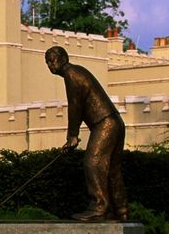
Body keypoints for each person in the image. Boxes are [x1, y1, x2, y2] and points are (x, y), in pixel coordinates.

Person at [45, 46, 128, 221]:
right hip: (115, 122)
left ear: (63, 59)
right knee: (112, 169)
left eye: (52, 60)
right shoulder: (76, 72)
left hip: (105, 123)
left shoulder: (72, 74)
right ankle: (120, 211)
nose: (50, 65)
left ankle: (99, 206)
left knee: (93, 163)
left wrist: (72, 136)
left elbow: (76, 106)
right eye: (48, 62)